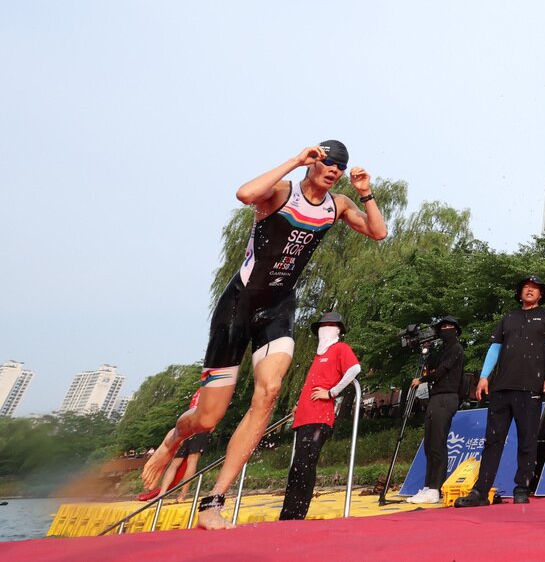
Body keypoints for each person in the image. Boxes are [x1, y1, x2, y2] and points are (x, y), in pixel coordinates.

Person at [140, 141, 387, 529]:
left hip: (278, 308)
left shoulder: (337, 205)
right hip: (237, 306)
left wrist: (365, 193)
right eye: (326, 161)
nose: (334, 169)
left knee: (269, 392)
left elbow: (378, 232)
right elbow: (245, 194)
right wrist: (294, 161)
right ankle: (174, 438)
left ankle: (213, 502)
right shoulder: (281, 192)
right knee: (208, 418)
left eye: (340, 166)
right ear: (311, 162)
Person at [459, 275, 545, 507]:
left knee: (527, 440)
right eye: (526, 287)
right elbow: (495, 348)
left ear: (541, 294)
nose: (529, 290)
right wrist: (484, 376)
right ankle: (481, 491)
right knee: (493, 440)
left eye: (534, 288)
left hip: (531, 387)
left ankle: (521, 488)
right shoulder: (508, 318)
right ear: (520, 292)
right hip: (501, 387)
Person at [280, 311, 361, 521]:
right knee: (298, 465)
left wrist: (332, 392)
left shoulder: (340, 348)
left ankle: (295, 514)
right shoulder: (318, 357)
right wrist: (299, 404)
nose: (325, 330)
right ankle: (289, 513)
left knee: (304, 464)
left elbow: (354, 369)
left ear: (338, 330)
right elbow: (313, 383)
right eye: (322, 327)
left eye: (330, 326)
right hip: (305, 416)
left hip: (319, 417)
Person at [405, 316, 464, 505]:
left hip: (447, 397)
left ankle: (435, 488)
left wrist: (422, 380)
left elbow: (441, 371)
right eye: (442, 327)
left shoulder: (456, 349)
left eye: (449, 326)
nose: (445, 329)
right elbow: (430, 365)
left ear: (455, 330)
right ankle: (428, 486)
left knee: (438, 442)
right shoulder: (441, 350)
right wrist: (426, 351)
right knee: (430, 444)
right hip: (436, 398)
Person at [137, 389, 210, 502]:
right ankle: (182, 495)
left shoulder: (199, 391)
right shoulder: (212, 389)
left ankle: (162, 494)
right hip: (201, 426)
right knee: (192, 460)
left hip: (187, 426)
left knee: (175, 463)